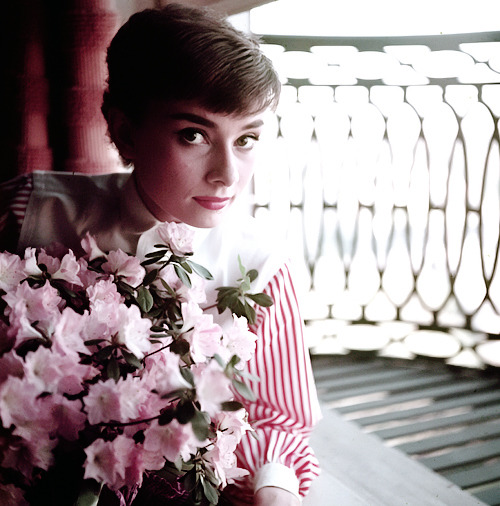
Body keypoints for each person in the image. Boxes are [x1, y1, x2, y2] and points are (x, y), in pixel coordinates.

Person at [0, 4, 321, 505]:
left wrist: (274, 488)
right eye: (193, 135)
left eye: (247, 139)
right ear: (125, 130)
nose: (228, 176)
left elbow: (279, 419)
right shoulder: (29, 211)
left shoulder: (260, 265)